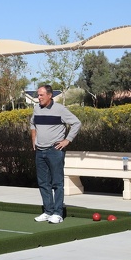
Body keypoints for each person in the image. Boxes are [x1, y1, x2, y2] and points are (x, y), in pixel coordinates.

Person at [30, 85, 81, 224]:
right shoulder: (36, 109)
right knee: (43, 183)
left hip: (55, 151)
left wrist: (67, 140)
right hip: (39, 151)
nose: (38, 98)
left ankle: (58, 213)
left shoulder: (60, 110)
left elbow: (76, 123)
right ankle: (48, 211)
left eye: (41, 95)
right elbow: (32, 124)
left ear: (50, 95)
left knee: (57, 183)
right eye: (38, 95)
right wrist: (33, 139)